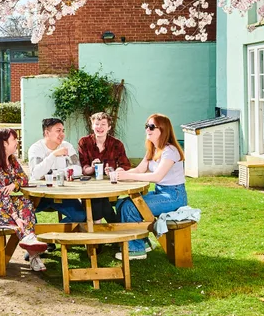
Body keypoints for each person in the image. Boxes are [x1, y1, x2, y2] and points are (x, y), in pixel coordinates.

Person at [112, 113, 188, 260]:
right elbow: (140, 170)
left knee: (131, 207)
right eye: (146, 126)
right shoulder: (153, 149)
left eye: (152, 126)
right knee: (122, 203)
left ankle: (135, 250)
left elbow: (156, 176)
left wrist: (128, 176)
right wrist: (122, 172)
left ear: (163, 130)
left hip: (174, 196)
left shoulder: (170, 151)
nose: (147, 129)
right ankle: (143, 242)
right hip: (161, 193)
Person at [0, 128, 48, 271]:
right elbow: (1, 196)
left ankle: (30, 243)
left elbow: (24, 178)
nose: (17, 142)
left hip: (2, 201)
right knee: (17, 217)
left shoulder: (12, 160)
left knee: (26, 203)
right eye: (14, 139)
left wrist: (14, 184)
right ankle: (33, 252)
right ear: (4, 143)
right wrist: (16, 217)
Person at [27, 118, 85, 223]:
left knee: (80, 216)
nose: (62, 134)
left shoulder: (67, 146)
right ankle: (35, 237)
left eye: (63, 131)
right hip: (40, 195)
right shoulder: (36, 149)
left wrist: (55, 173)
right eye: (58, 131)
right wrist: (53, 155)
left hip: (62, 193)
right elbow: (36, 174)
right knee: (25, 214)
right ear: (47, 133)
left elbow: (78, 169)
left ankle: (53, 237)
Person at [78, 111, 129, 222]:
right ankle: (114, 225)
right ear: (92, 126)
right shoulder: (84, 142)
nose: (99, 127)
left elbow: (124, 165)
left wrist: (113, 171)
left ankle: (96, 227)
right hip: (90, 186)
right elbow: (83, 168)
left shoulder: (117, 144)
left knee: (97, 199)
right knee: (97, 198)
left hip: (110, 186)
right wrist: (92, 168)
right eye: (96, 124)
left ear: (109, 127)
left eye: (103, 124)